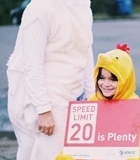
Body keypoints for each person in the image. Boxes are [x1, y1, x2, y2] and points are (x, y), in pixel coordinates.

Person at [6, 0, 95, 159]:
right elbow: (32, 64)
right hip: (45, 99)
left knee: (76, 154)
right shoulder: (39, 9)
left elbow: (86, 51)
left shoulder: (82, 6)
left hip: (74, 96)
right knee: (46, 154)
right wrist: (43, 110)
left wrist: (93, 97)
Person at [55, 44, 140, 160]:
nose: (106, 84)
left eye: (113, 79)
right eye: (102, 78)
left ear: (125, 79)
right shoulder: (91, 102)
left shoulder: (134, 105)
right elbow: (76, 142)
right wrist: (68, 156)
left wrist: (134, 156)